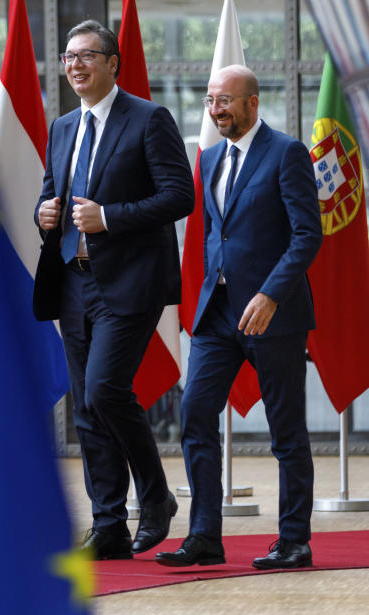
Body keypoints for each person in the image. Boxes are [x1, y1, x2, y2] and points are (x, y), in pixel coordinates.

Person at [32, 20, 194, 560]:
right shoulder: (60, 128)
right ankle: (109, 527)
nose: (75, 65)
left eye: (87, 55)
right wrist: (44, 212)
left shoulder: (149, 119)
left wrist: (111, 217)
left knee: (105, 390)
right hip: (73, 281)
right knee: (86, 409)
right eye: (68, 57)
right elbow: (53, 196)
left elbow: (179, 197)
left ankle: (156, 497)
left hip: (129, 282)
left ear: (113, 63)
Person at [155, 65, 322, 569]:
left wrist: (270, 294)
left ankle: (294, 541)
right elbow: (215, 235)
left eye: (225, 100)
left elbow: (306, 235)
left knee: (286, 431)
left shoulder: (286, 153)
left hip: (274, 315)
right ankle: (205, 536)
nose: (216, 109)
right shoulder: (206, 159)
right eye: (210, 101)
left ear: (252, 103)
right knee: (196, 414)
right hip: (218, 315)